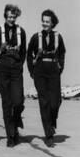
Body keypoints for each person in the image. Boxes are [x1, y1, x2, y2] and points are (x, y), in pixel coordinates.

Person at [0, 4, 27, 147]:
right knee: (6, 103)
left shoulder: (21, 31)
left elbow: (24, 52)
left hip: (16, 69)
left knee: (18, 101)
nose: (11, 19)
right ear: (5, 16)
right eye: (9, 16)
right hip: (2, 69)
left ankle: (16, 121)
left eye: (14, 16)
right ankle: (10, 135)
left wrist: (19, 65)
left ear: (16, 17)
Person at [27, 9, 66, 147]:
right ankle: (48, 135)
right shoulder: (35, 37)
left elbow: (62, 53)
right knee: (44, 102)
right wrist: (32, 71)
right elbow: (28, 53)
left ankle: (52, 121)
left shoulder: (58, 37)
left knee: (56, 101)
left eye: (47, 22)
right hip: (40, 72)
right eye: (43, 21)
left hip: (54, 71)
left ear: (52, 23)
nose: (44, 24)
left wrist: (60, 67)